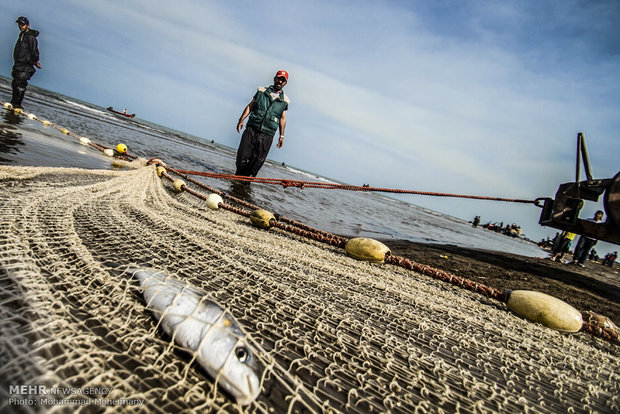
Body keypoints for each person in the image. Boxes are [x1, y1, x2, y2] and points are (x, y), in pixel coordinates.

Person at [235, 70, 290, 177]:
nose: (280, 81)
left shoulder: (285, 101)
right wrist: (241, 119)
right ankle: (237, 181)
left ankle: (244, 188)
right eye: (279, 78)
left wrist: (281, 136)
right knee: (241, 157)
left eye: (283, 80)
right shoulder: (261, 91)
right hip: (252, 129)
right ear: (274, 79)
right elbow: (250, 106)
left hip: (267, 134)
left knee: (256, 164)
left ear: (285, 83)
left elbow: (282, 118)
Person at [10, 16, 41, 110]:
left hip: (25, 66)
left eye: (22, 24)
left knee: (20, 84)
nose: (20, 26)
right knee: (15, 83)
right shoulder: (21, 36)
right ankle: (14, 103)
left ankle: (17, 105)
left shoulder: (30, 37)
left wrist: (35, 61)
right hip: (18, 65)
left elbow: (34, 51)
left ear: (28, 25)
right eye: (19, 24)